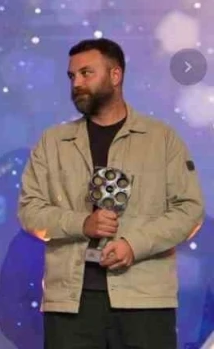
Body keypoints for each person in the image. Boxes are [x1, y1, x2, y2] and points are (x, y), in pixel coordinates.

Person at [18, 38, 205, 348]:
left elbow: (189, 210)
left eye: (86, 73)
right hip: (70, 305)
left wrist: (134, 245)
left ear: (115, 75)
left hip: (144, 302)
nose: (76, 83)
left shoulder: (161, 139)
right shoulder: (52, 143)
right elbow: (30, 212)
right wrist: (82, 224)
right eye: (72, 76)